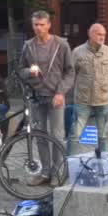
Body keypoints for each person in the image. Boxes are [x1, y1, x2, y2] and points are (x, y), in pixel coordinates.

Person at [18, 11, 74, 176]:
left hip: (56, 96)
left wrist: (61, 92)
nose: (39, 28)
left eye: (42, 25)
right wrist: (29, 72)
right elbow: (20, 70)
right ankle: (46, 172)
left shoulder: (61, 45)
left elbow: (70, 72)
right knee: (40, 136)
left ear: (49, 25)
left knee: (57, 135)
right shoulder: (28, 45)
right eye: (36, 24)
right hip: (36, 97)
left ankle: (56, 173)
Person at [70, 22, 108, 156]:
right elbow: (72, 74)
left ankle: (104, 165)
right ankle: (70, 165)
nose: (102, 37)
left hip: (103, 100)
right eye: (99, 34)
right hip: (83, 100)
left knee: (103, 136)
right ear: (90, 34)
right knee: (74, 135)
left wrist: (103, 86)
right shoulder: (77, 52)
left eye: (104, 35)